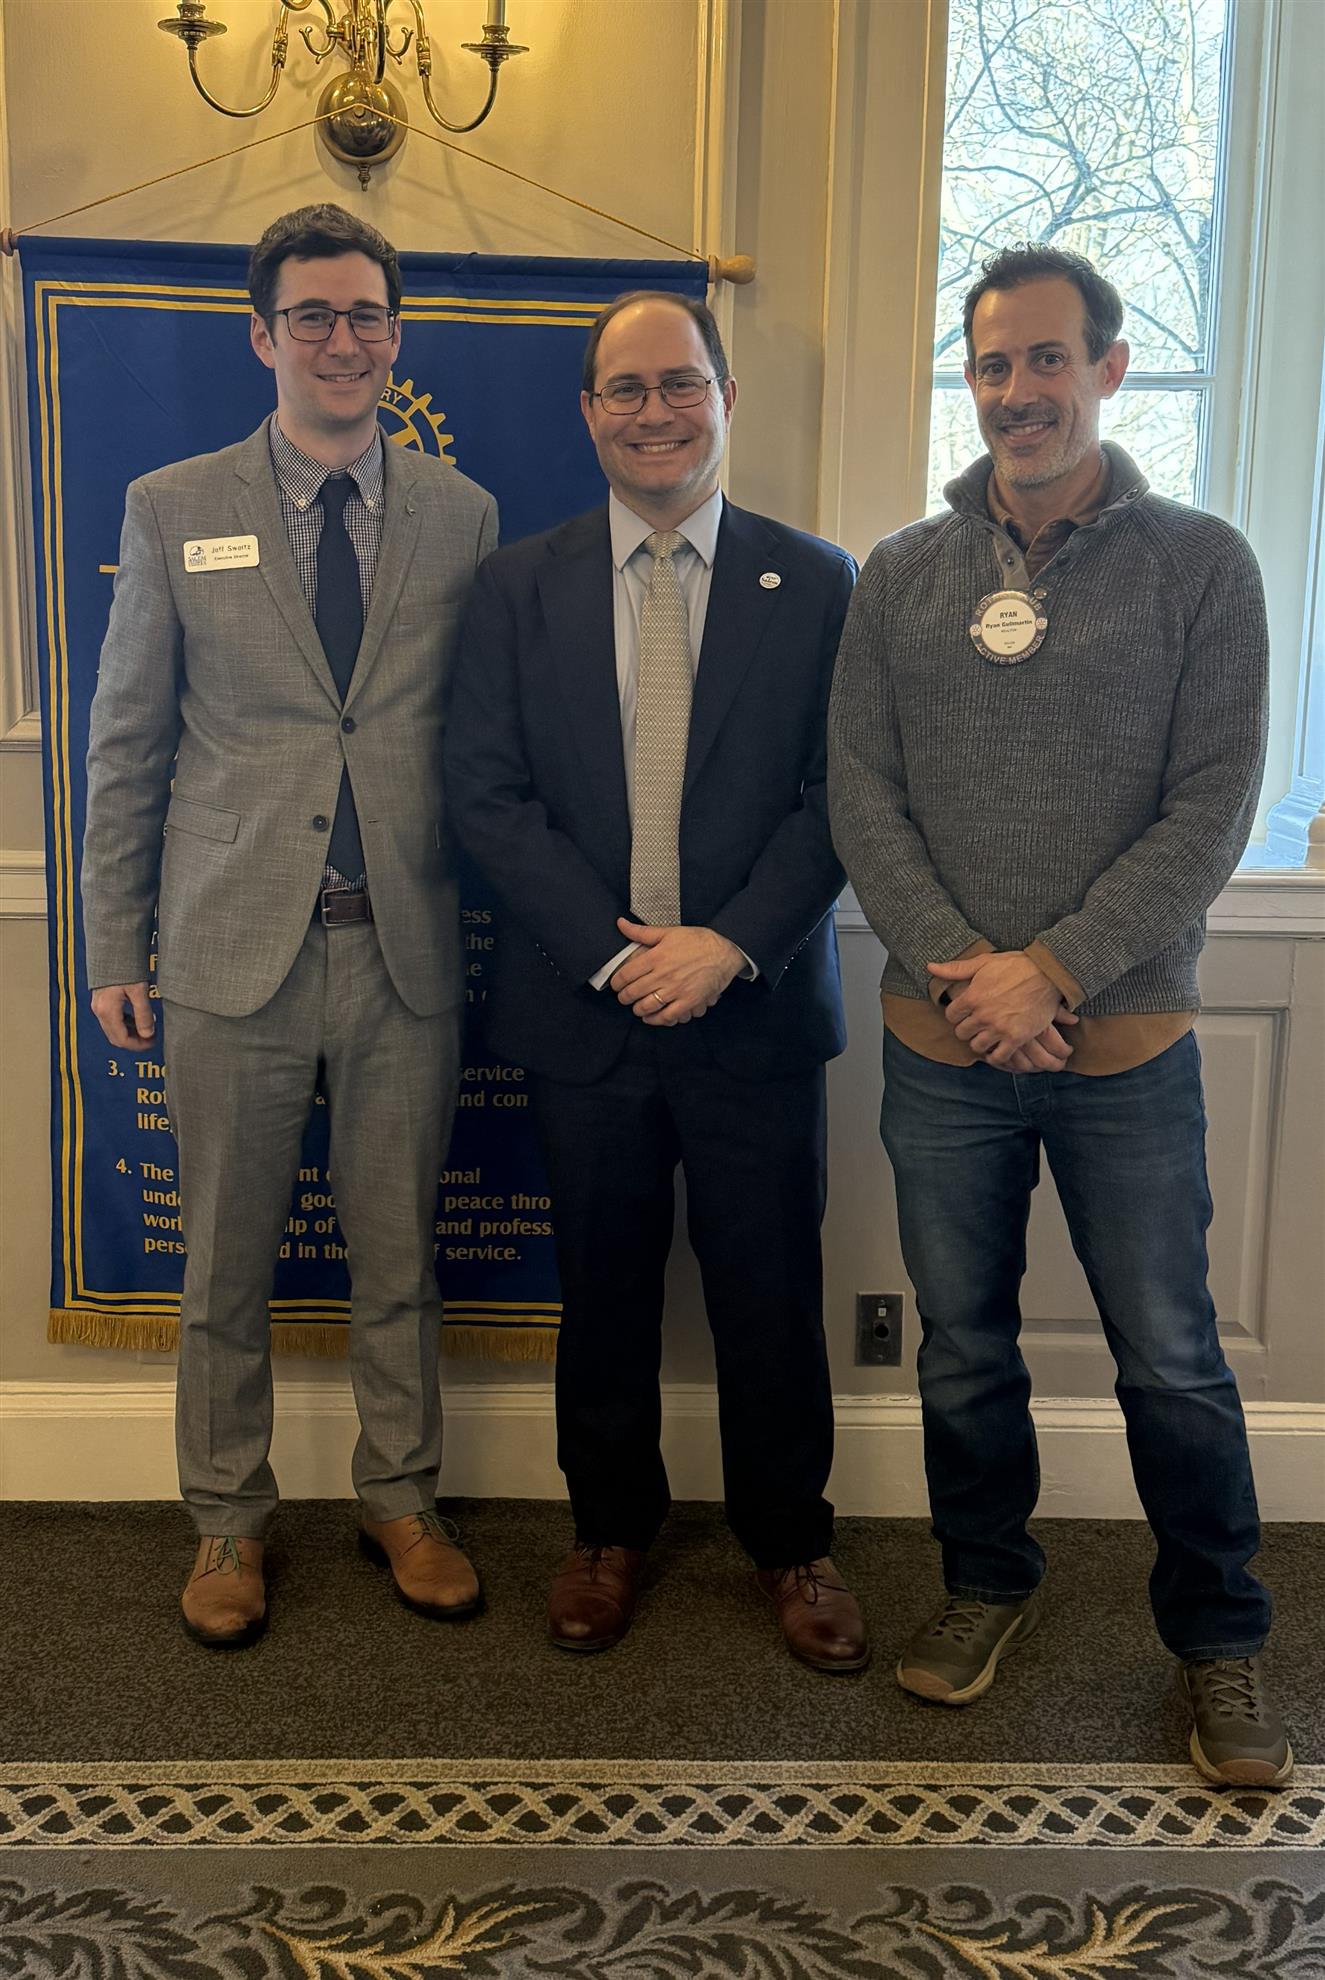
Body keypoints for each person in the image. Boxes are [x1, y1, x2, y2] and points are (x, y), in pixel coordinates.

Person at [828, 242, 1291, 1786]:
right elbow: (861, 795)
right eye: (989, 363)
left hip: (1125, 1050)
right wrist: (970, 971)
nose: (1015, 391)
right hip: (941, 1047)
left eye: (1044, 358)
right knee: (963, 1350)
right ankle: (983, 1585)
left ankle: (1217, 1639)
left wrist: (1057, 971)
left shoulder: (1203, 566)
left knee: (1169, 1356)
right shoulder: (898, 575)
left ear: (1106, 368)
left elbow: (1210, 808)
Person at [83, 204, 498, 1646]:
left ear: (396, 335)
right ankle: (226, 1521)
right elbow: (127, 741)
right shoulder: (171, 504)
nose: (342, 340)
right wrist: (113, 945)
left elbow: (479, 733)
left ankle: (402, 1499)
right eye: (313, 315)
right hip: (225, 952)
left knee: (398, 1258)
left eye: (366, 314)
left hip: (402, 948)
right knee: (223, 1267)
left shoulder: (461, 512)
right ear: (262, 337)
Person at [445, 291, 868, 1671]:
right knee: (605, 1291)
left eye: (679, 384)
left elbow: (842, 797)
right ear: (588, 414)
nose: (654, 412)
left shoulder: (817, 583)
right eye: (624, 389)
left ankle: (791, 1541)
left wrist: (728, 944)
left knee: (769, 1290)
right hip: (588, 1011)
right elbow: (486, 795)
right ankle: (607, 1531)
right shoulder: (516, 586)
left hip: (754, 1005)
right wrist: (620, 953)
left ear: (724, 398)